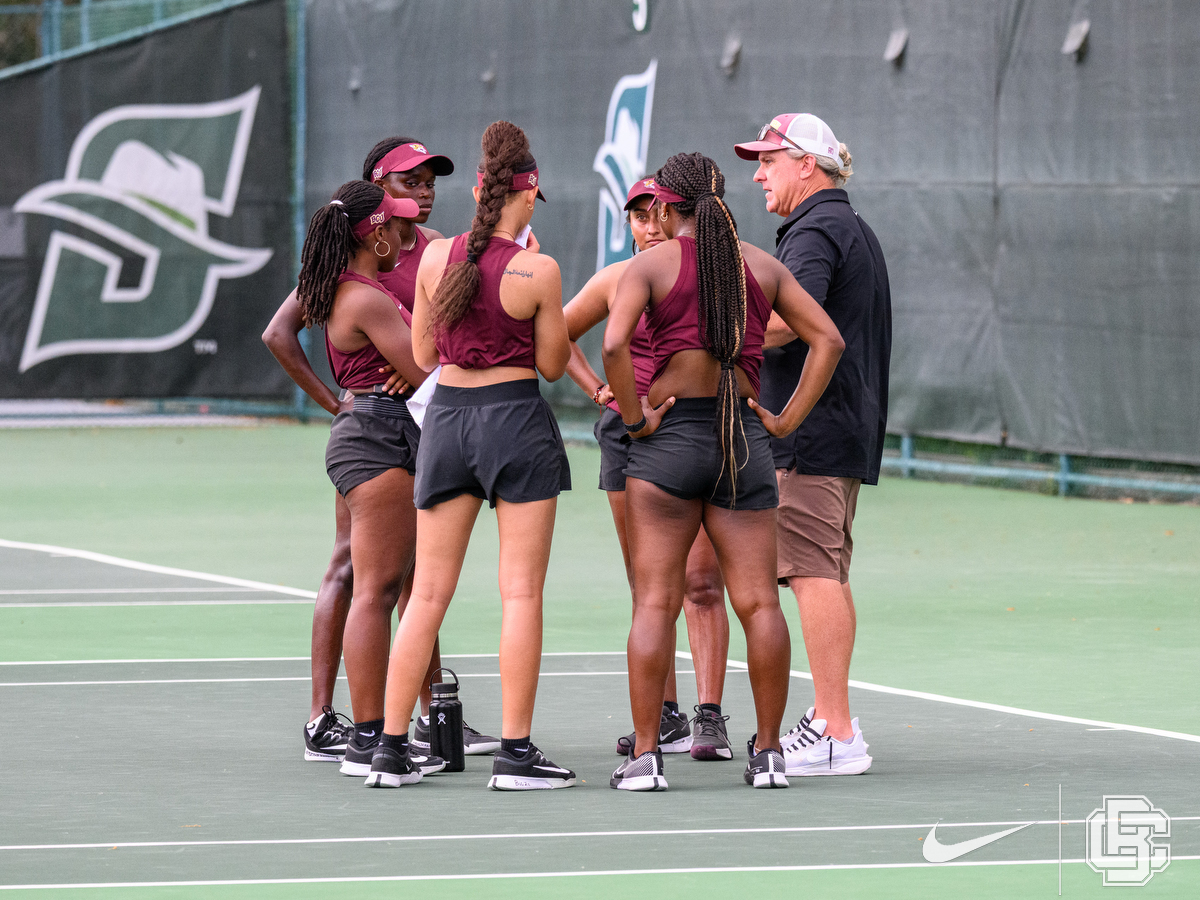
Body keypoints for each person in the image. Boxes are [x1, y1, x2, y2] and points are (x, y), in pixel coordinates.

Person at [602, 152, 844, 791]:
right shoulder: (760, 265)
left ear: (664, 206)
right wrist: (785, 422)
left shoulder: (649, 264)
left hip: (669, 443)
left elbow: (609, 344)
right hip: (742, 441)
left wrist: (635, 420)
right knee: (760, 601)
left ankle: (647, 758)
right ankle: (767, 756)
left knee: (655, 601)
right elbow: (829, 340)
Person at [262, 138, 498, 763]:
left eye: (429, 179)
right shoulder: (354, 271)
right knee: (365, 576)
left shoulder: (435, 249)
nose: (423, 190)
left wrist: (417, 355)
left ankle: (424, 716)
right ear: (374, 197)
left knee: (413, 578)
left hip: (407, 425)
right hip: (378, 428)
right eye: (408, 180)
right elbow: (283, 333)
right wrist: (340, 397)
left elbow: (447, 338)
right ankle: (341, 724)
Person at [367, 121, 575, 790]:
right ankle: (516, 754)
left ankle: (391, 749)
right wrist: (533, 280)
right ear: (529, 191)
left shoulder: (434, 258)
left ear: (480, 188)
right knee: (520, 592)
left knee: (425, 592)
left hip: (449, 424)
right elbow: (549, 363)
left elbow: (424, 357)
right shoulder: (538, 268)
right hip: (514, 421)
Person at [734, 113, 891, 776]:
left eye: (769, 159)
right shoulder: (839, 225)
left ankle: (837, 729)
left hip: (811, 430)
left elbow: (785, 324)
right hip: (831, 427)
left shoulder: (817, 228)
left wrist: (708, 338)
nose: (758, 172)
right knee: (818, 567)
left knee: (810, 570)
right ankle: (831, 719)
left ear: (807, 164)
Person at [563, 178, 733, 761]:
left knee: (702, 583)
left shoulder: (711, 273)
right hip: (629, 436)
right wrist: (603, 395)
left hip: (698, 428)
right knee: (648, 587)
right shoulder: (618, 279)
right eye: (638, 216)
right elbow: (555, 334)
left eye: (657, 213)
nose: (649, 225)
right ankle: (663, 718)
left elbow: (777, 324)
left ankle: (709, 718)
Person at [293, 180, 446, 779]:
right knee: (377, 590)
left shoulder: (352, 290)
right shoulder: (366, 297)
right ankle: (366, 737)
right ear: (372, 233)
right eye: (390, 223)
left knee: (382, 585)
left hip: (381, 433)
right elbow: (425, 367)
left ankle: (374, 729)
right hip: (377, 439)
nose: (398, 232)